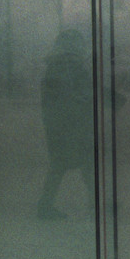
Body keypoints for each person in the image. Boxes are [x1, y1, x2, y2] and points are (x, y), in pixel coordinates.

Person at [37, 29, 94, 220]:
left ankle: (45, 206)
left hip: (57, 125)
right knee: (79, 163)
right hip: (73, 125)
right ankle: (45, 206)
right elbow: (81, 95)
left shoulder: (54, 66)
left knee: (66, 165)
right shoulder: (72, 67)